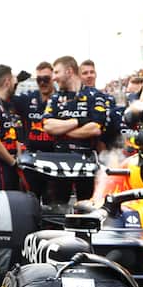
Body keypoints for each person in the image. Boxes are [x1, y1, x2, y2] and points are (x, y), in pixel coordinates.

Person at [42, 55, 107, 204]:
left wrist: (62, 130)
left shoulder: (95, 96)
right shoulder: (55, 98)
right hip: (59, 162)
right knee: (57, 210)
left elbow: (95, 129)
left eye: (57, 72)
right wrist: (78, 121)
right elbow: (47, 126)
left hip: (87, 162)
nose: (54, 77)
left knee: (87, 210)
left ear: (69, 71)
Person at [15, 61, 55, 200]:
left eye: (46, 79)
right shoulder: (28, 98)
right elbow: (3, 101)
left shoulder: (62, 99)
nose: (42, 82)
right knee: (30, 201)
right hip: (31, 160)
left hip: (55, 159)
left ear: (53, 78)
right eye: (39, 79)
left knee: (54, 204)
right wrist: (15, 82)